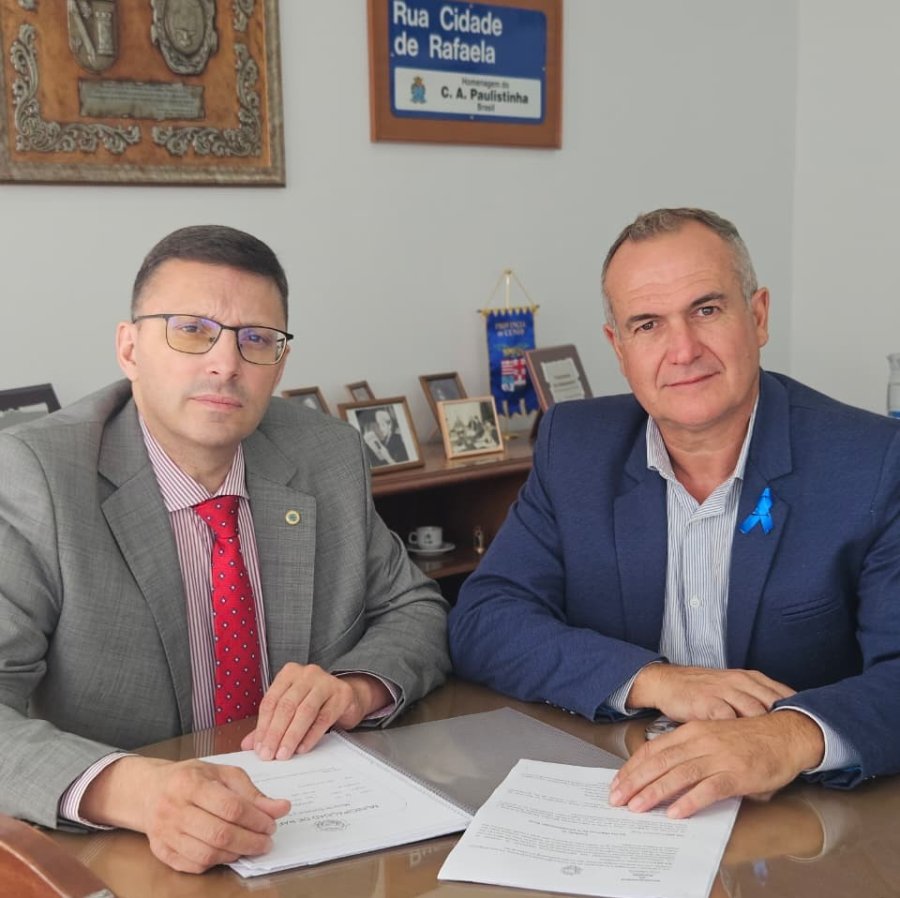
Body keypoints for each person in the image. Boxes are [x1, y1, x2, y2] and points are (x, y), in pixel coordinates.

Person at [0, 225, 450, 873]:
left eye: (256, 340)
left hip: (303, 824)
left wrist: (354, 688)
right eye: (190, 331)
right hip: (121, 847)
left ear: (280, 363)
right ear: (129, 348)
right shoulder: (37, 475)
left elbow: (414, 608)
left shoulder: (323, 454)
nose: (225, 363)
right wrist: (132, 788)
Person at [449, 207, 900, 820]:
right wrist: (653, 679)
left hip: (801, 816)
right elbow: (485, 619)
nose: (683, 349)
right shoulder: (574, 446)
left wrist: (790, 735)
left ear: (758, 315)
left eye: (707, 310)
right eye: (648, 324)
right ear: (618, 346)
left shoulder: (871, 462)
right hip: (619, 794)